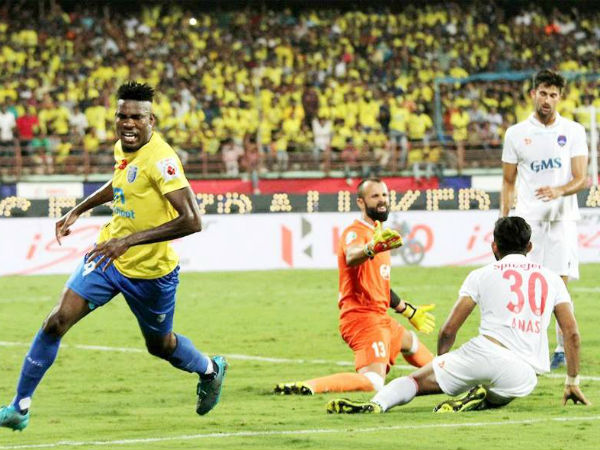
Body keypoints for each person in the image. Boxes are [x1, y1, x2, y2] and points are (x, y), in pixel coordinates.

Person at [0, 82, 227, 432]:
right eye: (122, 115)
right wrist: (78, 210)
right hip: (108, 257)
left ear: (151, 120)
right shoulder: (124, 147)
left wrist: (130, 241)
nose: (128, 123)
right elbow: (120, 182)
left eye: (136, 117)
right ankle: (19, 407)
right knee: (56, 321)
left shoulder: (162, 160)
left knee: (160, 345)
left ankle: (210, 370)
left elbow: (192, 220)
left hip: (151, 273)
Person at [327, 216, 590, 414]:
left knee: (414, 382)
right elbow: (572, 334)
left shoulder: (480, 275)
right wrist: (572, 381)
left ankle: (377, 404)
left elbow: (449, 330)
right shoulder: (552, 279)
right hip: (523, 369)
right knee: (509, 389)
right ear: (530, 246)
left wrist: (442, 362)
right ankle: (483, 398)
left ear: (494, 246)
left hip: (481, 352)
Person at [274, 178, 435, 396]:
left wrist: (408, 311)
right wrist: (371, 248)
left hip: (379, 316)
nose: (382, 200)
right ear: (361, 202)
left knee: (410, 342)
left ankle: (449, 376)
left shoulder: (381, 236)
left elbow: (380, 286)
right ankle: (309, 386)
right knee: (374, 381)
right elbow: (352, 256)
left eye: (385, 195)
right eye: (375, 196)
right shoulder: (356, 232)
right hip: (362, 318)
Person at [500, 69, 589, 370]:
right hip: (528, 223)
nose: (547, 99)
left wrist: (559, 190)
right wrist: (503, 221)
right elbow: (508, 181)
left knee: (558, 287)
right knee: (527, 288)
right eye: (543, 93)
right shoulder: (515, 134)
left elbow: (581, 178)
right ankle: (528, 348)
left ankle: (561, 349)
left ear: (559, 97)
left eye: (553, 94)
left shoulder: (574, 131)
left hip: (561, 221)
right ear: (533, 94)